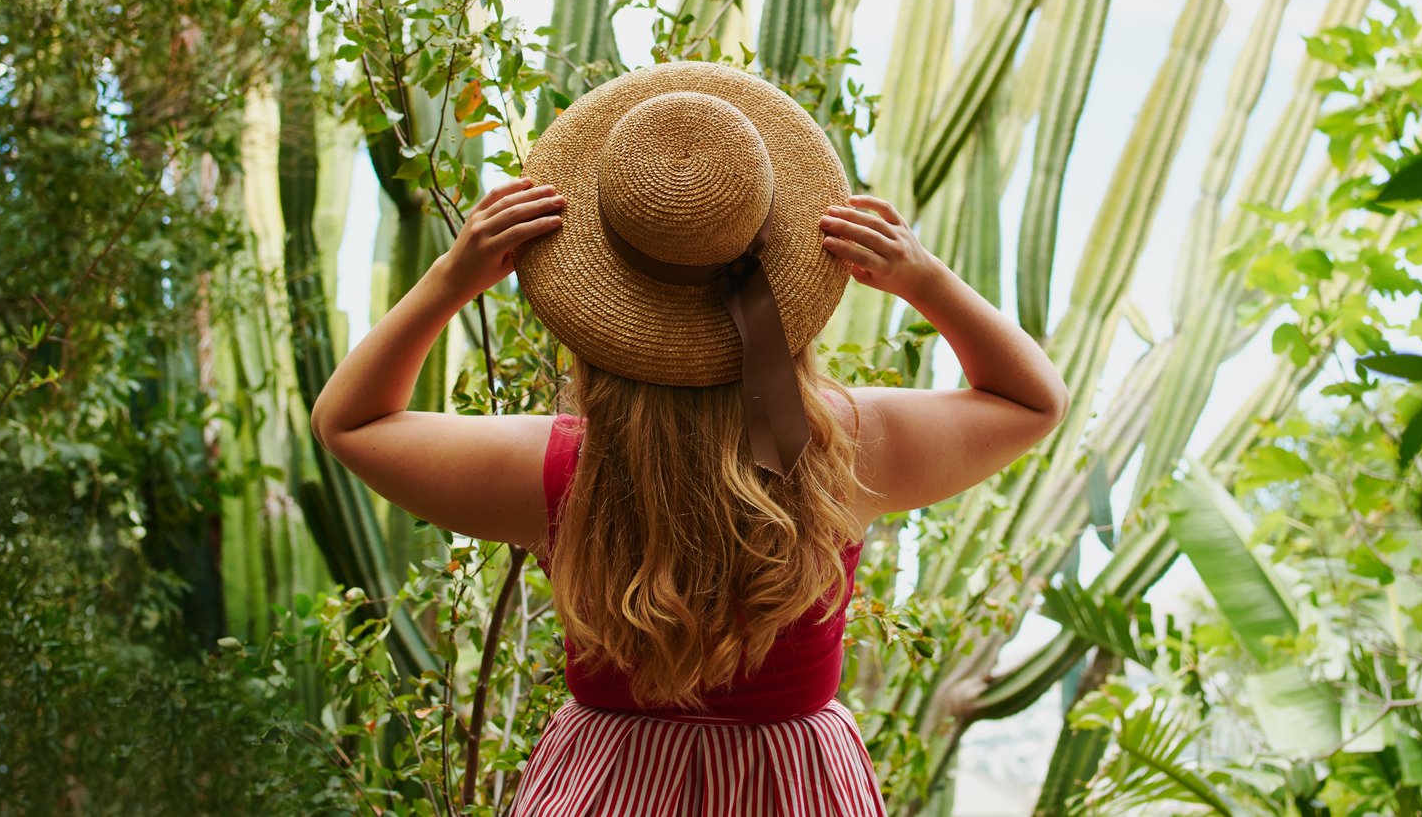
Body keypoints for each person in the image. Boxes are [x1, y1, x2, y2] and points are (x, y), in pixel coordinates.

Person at [312, 61, 1069, 814]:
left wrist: (451, 278)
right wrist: (924, 279)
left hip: (607, 786)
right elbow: (1031, 400)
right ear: (791, 281)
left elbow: (349, 421)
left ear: (595, 314)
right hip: (794, 786)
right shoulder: (847, 451)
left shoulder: (556, 469)